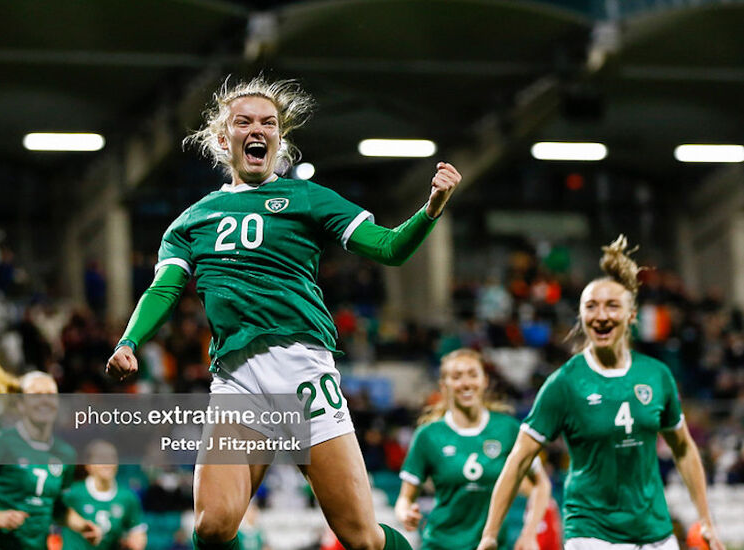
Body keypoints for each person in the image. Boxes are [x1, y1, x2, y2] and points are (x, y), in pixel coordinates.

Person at [106, 75, 462, 550]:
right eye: (244, 122)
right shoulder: (190, 222)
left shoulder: (309, 198)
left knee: (364, 541)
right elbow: (164, 288)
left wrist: (432, 207)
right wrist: (129, 341)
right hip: (236, 380)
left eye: (269, 123)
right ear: (221, 137)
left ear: (279, 138)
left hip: (303, 375)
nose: (258, 130)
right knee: (213, 528)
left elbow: (390, 248)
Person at [478, 236, 725, 550]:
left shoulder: (657, 375)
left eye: (612, 305)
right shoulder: (564, 383)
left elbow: (685, 449)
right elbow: (518, 460)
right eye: (591, 307)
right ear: (581, 317)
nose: (601, 314)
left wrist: (705, 520)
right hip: (592, 534)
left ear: (631, 315)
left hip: (657, 534)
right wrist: (489, 534)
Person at [394, 349, 551, 550]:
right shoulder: (428, 435)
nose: (466, 383)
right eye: (457, 377)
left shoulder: (508, 429)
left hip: (493, 546)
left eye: (472, 374)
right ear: (444, 385)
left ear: (485, 380)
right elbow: (404, 499)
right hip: (440, 545)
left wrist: (529, 534)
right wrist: (405, 513)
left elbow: (541, 484)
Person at [0, 358, 101, 550]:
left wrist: (82, 525)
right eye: (36, 395)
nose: (44, 400)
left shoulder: (65, 454)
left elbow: (57, 507)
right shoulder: (3, 442)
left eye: (50, 394)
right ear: (20, 404)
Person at [62, 440, 147, 550]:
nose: (108, 463)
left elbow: (137, 531)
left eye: (112, 458)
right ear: (88, 465)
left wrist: (136, 542)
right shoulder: (73, 493)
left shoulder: (127, 498)